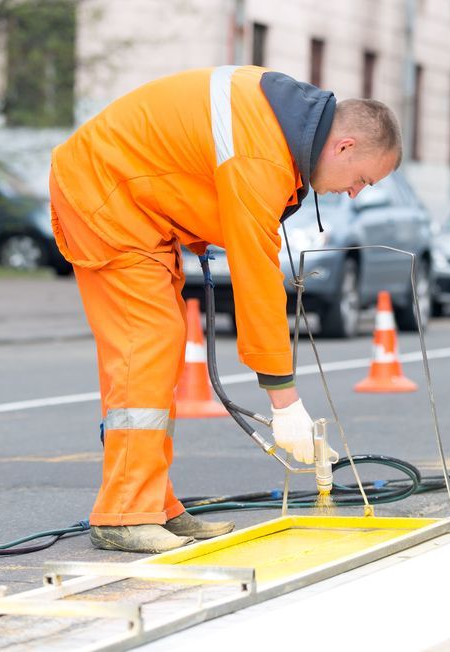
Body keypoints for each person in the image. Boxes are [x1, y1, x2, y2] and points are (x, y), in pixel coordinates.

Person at [49, 65, 402, 553]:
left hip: (133, 203)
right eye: (362, 179)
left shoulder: (282, 125)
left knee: (159, 349)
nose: (355, 192)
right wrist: (284, 399)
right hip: (107, 198)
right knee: (146, 344)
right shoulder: (266, 153)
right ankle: (125, 514)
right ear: (344, 147)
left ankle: (154, 504)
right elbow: (257, 275)